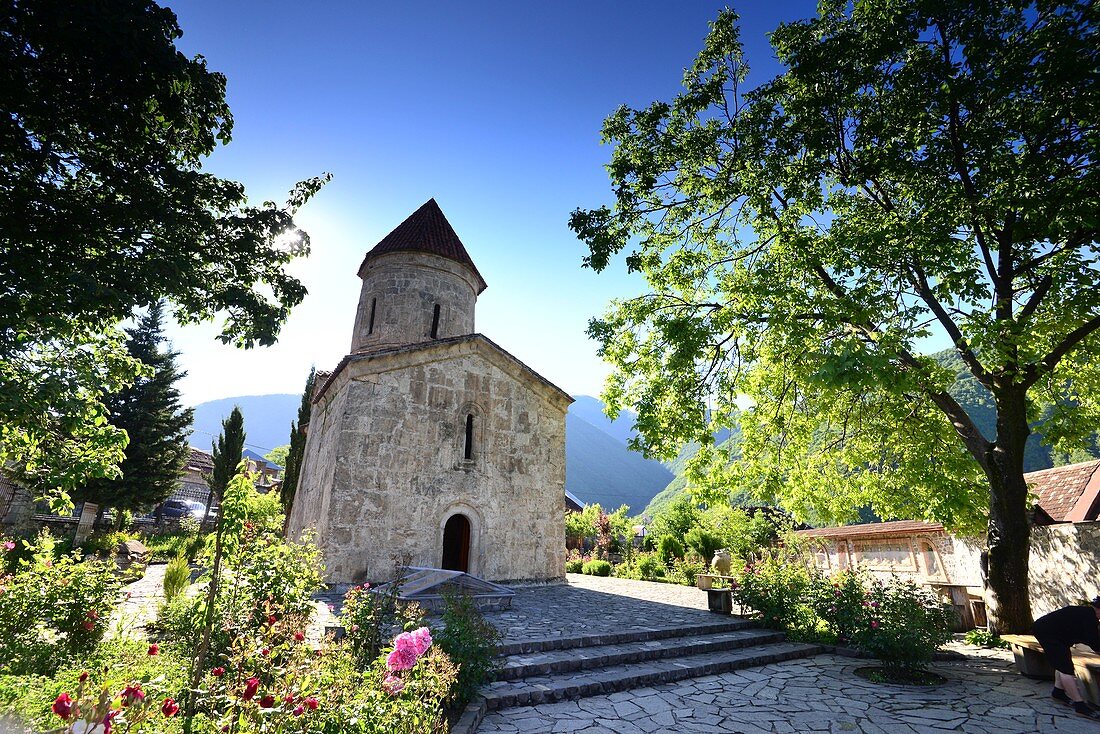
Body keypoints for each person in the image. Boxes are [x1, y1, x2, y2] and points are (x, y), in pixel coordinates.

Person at [1032, 598, 1100, 719]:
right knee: (1066, 669)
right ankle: (1080, 705)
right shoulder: (1089, 618)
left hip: (1055, 634)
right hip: (1047, 633)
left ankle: (1058, 692)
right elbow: (1094, 642)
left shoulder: (1086, 613)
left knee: (1063, 662)